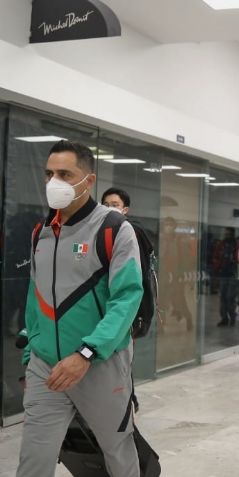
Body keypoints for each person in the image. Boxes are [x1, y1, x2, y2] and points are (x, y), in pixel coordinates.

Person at [18, 140, 143, 477]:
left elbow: (127, 299)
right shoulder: (40, 232)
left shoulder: (114, 229)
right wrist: (32, 354)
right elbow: (36, 297)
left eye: (64, 174)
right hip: (48, 368)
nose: (53, 182)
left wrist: (87, 353)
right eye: (49, 174)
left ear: (88, 181)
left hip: (100, 365)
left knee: (117, 451)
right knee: (34, 458)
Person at [213, 227, 239, 327]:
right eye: (226, 233)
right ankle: (224, 318)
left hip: (233, 274)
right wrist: (217, 269)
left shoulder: (236, 245)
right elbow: (216, 257)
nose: (227, 235)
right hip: (223, 274)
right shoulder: (222, 244)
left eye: (229, 233)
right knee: (223, 297)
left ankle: (232, 317)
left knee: (230, 297)